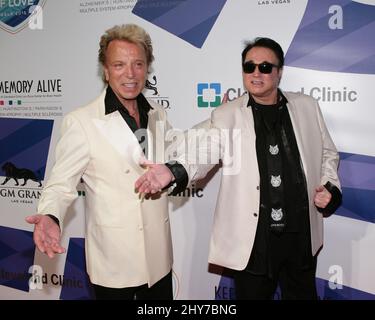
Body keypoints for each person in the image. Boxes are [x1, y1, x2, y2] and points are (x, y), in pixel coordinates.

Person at [135, 37, 342, 300]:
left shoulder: (307, 107)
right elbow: (203, 152)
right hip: (253, 242)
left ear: (279, 72)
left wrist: (330, 187)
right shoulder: (227, 114)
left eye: (265, 67)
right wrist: (172, 171)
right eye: (249, 66)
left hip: (301, 237)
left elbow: (327, 153)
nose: (256, 73)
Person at [25, 24, 187, 300]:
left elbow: (174, 160)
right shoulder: (82, 121)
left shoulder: (157, 113)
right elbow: (60, 183)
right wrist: (51, 215)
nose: (130, 73)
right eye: (119, 64)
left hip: (158, 258)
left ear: (147, 68)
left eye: (138, 64)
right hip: (115, 262)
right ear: (106, 69)